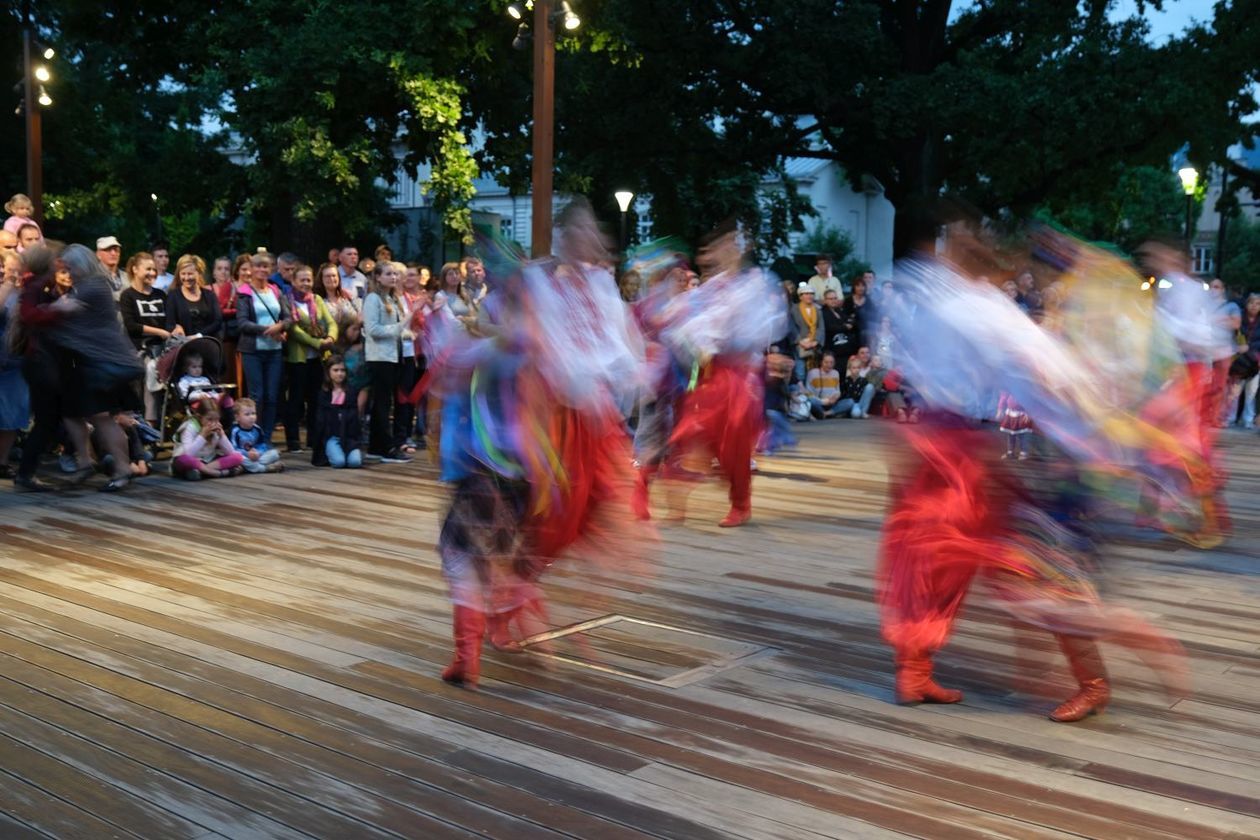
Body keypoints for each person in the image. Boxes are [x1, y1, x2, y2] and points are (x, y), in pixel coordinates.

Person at [665, 227, 786, 527]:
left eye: (729, 246)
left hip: (740, 374)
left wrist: (765, 355)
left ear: (740, 250)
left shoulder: (753, 285)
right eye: (719, 246)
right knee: (689, 432)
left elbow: (764, 327)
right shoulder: (711, 288)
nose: (722, 251)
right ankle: (678, 499)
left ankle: (740, 503)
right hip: (712, 372)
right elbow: (689, 324)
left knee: (733, 438)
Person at [46, 244, 143, 491]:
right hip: (98, 363)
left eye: (70, 267)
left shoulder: (93, 287)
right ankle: (87, 462)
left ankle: (119, 469)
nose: (69, 272)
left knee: (102, 418)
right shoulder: (92, 285)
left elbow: (61, 310)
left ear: (81, 264)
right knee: (73, 412)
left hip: (104, 363)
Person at [236, 251, 292, 442]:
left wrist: (281, 326)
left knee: (271, 396)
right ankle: (252, 436)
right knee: (257, 396)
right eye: (258, 266)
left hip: (274, 352)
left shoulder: (276, 290)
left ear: (271, 269)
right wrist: (268, 329)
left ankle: (266, 438)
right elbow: (242, 323)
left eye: (265, 266)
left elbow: (289, 318)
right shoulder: (244, 292)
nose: (261, 269)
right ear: (251, 269)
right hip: (252, 350)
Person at [362, 261, 412, 463]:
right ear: (378, 277)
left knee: (384, 402)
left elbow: (394, 328)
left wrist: (406, 333)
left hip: (393, 355)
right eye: (388, 274)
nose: (393, 277)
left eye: (394, 274)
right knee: (382, 403)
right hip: (380, 357)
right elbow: (373, 329)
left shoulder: (392, 298)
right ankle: (386, 447)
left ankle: (376, 445)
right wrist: (402, 326)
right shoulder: (373, 299)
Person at [284, 264, 337, 452]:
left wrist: (331, 337)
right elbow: (294, 330)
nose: (306, 283)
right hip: (297, 357)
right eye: (302, 280)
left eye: (309, 279)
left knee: (316, 399)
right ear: (293, 281)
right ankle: (293, 440)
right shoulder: (287, 300)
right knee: (296, 399)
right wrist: (317, 343)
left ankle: (314, 438)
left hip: (318, 358)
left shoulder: (316, 300)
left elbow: (330, 322)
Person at [118, 251, 173, 425]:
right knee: (147, 373)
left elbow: (169, 322)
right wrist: (159, 332)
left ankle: (160, 422)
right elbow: (132, 325)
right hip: (140, 349)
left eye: (154, 269)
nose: (152, 273)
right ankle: (147, 423)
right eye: (148, 269)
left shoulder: (160, 295)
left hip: (163, 349)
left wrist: (174, 328)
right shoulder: (128, 296)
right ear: (135, 269)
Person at [0, 250, 30, 479]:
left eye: (14, 271)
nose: (10, 274)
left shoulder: (22, 294)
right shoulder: (6, 291)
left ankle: (2, 462)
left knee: (12, 414)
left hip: (14, 363)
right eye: (8, 270)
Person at [310, 355, 363, 468]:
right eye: (335, 370)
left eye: (342, 370)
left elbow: (354, 417)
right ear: (328, 372)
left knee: (355, 462)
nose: (339, 374)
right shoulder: (324, 393)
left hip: (348, 437)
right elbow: (320, 420)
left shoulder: (351, 391)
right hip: (332, 436)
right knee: (339, 462)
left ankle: (343, 453)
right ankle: (332, 453)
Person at [172, 399, 245, 480]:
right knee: (183, 459)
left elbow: (230, 452)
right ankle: (217, 473)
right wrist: (202, 436)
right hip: (191, 460)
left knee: (238, 457)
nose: (214, 423)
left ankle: (202, 472)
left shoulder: (216, 428)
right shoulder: (190, 427)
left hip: (208, 460)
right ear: (200, 417)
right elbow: (188, 454)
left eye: (217, 419)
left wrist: (222, 435)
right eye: (209, 419)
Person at [166, 254, 224, 339]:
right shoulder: (173, 296)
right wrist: (176, 327)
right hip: (184, 346)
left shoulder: (209, 295)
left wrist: (198, 336)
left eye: (190, 274)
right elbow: (169, 323)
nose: (186, 278)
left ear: (199, 273)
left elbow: (217, 321)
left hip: (208, 345)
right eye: (183, 274)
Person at [230, 398, 282, 473]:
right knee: (238, 458)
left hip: (256, 457)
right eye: (247, 414)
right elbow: (233, 449)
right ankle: (265, 468)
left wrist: (258, 453)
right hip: (244, 456)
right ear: (237, 417)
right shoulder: (235, 431)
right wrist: (247, 454)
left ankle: (248, 468)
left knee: (275, 453)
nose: (251, 417)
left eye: (253, 413)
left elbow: (262, 445)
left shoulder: (257, 429)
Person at [790, 283, 824, 380]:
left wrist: (815, 342)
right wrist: (800, 341)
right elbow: (791, 327)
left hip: (814, 345)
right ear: (800, 296)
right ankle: (801, 392)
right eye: (806, 293)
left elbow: (821, 327)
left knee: (814, 372)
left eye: (811, 293)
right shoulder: (793, 309)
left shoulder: (818, 309)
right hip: (800, 345)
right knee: (800, 371)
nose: (809, 296)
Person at [804, 351, 844, 418]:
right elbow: (808, 393)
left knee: (850, 402)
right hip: (818, 403)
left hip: (831, 403)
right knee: (811, 401)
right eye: (826, 362)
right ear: (821, 362)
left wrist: (836, 397)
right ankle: (830, 413)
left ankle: (826, 413)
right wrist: (822, 401)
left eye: (831, 362)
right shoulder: (812, 373)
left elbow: (838, 390)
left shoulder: (836, 373)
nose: (829, 365)